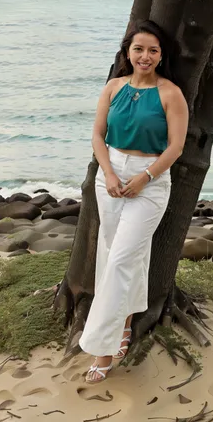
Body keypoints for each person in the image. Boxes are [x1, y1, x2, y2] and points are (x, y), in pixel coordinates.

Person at [79, 19, 189, 384]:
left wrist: (146, 176)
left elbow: (176, 146)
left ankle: (103, 347)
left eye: (153, 50)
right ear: (127, 52)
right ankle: (125, 322)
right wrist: (109, 173)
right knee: (116, 254)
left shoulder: (171, 93)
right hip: (110, 173)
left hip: (151, 179)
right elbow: (97, 134)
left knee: (123, 258)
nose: (145, 56)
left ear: (161, 56)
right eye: (138, 48)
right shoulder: (113, 87)